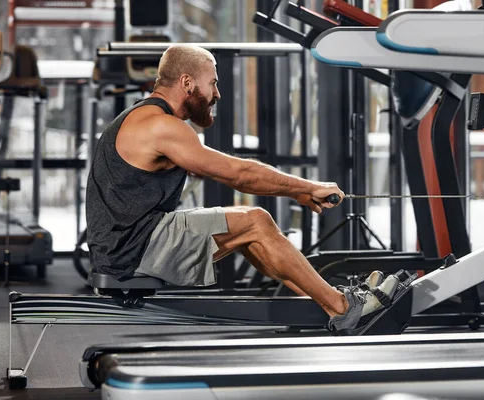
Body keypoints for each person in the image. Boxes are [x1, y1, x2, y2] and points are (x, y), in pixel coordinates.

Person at [86, 44, 398, 333]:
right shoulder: (162, 126)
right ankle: (344, 308)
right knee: (255, 221)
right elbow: (239, 174)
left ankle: (333, 304)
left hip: (128, 242)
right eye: (213, 83)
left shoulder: (141, 117)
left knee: (248, 229)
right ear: (186, 83)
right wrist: (307, 187)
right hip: (134, 247)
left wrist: (297, 192)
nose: (217, 94)